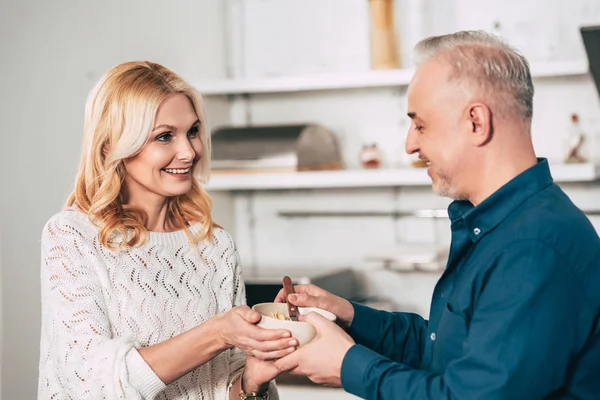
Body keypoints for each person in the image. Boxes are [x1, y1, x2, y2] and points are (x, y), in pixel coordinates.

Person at [273, 31, 600, 399]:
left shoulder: (533, 246)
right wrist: (349, 315)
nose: (410, 144)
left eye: (421, 124)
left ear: (476, 122)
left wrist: (346, 364)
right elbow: (444, 350)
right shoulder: (499, 225)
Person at [38, 61, 295, 399]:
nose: (189, 152)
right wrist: (218, 333)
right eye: (164, 136)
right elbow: (91, 385)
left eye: (192, 131)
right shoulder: (72, 237)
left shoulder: (214, 245)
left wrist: (251, 381)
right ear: (111, 147)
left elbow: (223, 387)